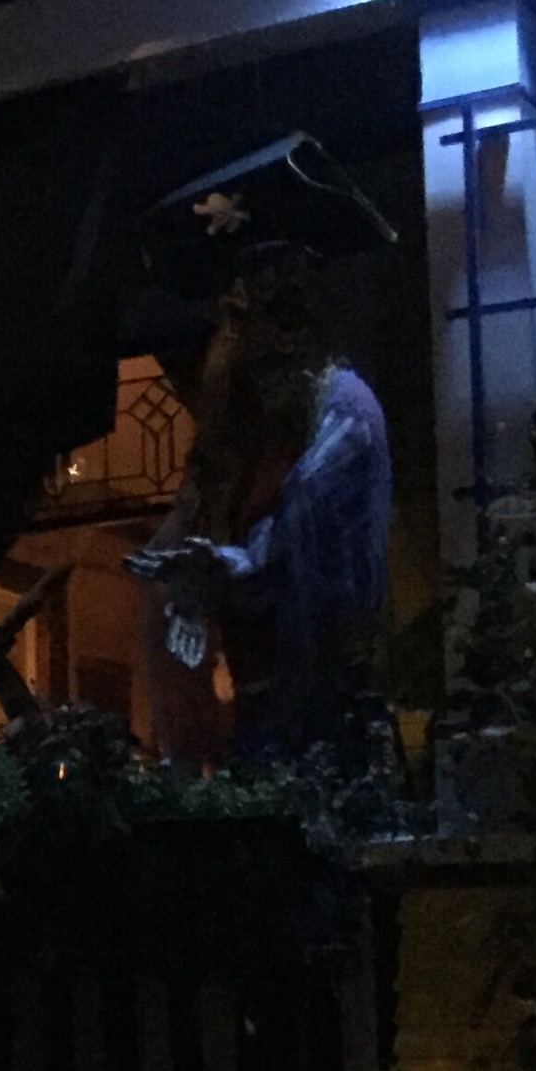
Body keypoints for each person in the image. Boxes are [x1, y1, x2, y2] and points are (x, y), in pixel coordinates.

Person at [121, 135, 396, 765]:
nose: (254, 344)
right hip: (253, 727)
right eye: (242, 322)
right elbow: (182, 538)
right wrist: (177, 579)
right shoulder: (231, 439)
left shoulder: (346, 411)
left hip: (328, 724)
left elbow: (299, 524)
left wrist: (235, 564)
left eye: (276, 318)